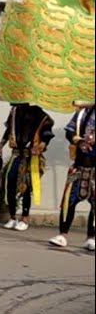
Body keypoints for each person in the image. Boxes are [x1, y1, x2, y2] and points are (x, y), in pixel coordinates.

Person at [0, 103, 54, 232]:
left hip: (30, 155)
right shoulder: (15, 111)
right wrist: (0, 147)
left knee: (26, 185)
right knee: (9, 182)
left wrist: (42, 144)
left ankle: (25, 217)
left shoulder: (38, 113)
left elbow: (47, 132)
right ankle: (12, 216)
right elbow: (8, 130)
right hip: (16, 154)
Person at [50, 107, 95, 251]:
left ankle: (91, 238)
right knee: (68, 201)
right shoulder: (82, 113)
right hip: (79, 166)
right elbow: (69, 131)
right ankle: (62, 235)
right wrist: (80, 141)